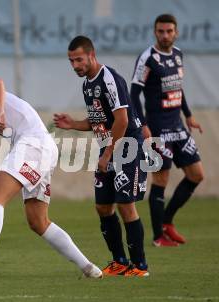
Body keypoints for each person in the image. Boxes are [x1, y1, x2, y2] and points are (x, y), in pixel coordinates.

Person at [0, 78, 102, 279]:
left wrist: (0, 110)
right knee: (38, 222)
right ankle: (89, 268)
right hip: (44, 150)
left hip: (33, 146)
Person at [54, 36, 149, 276]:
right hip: (110, 146)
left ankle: (139, 266)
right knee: (103, 207)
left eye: (79, 59)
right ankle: (119, 261)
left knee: (125, 206)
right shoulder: (87, 84)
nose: (75, 65)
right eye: (71, 61)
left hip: (127, 145)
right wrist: (73, 124)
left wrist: (107, 153)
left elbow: (122, 120)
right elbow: (99, 121)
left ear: (91, 55)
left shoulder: (109, 79)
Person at [130, 14, 204, 247]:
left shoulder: (178, 55)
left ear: (176, 32)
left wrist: (189, 114)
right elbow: (134, 94)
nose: (165, 35)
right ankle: (158, 237)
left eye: (169, 31)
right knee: (160, 180)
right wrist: (143, 124)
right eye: (160, 31)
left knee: (196, 175)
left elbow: (177, 88)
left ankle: (167, 222)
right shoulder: (148, 58)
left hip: (179, 126)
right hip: (158, 129)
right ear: (155, 32)